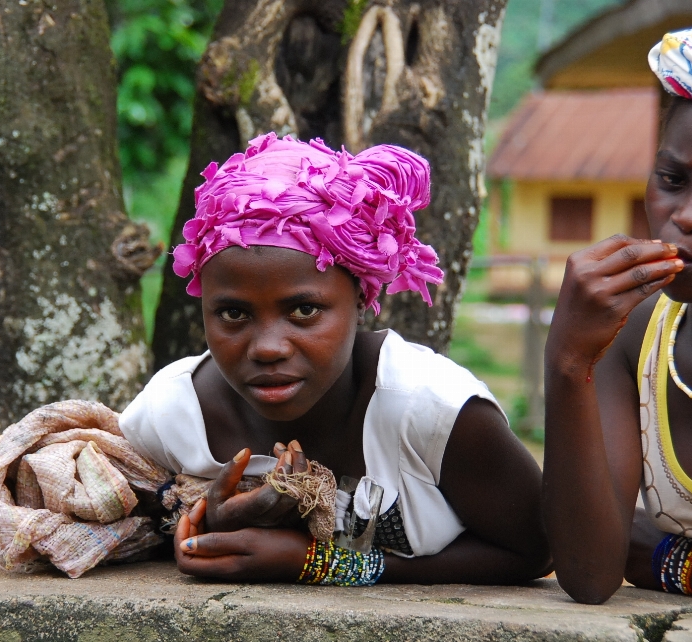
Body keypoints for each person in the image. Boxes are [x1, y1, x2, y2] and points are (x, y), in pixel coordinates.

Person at [119, 133, 549, 586]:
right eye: (233, 313)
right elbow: (134, 528)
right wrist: (202, 527)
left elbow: (537, 550)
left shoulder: (431, 413)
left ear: (361, 298)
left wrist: (320, 563)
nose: (268, 347)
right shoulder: (170, 418)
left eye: (304, 310)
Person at [543, 18, 692, 604]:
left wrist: (674, 561)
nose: (686, 215)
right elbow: (591, 574)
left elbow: (638, 555)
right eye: (670, 179)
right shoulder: (636, 335)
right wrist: (568, 358)